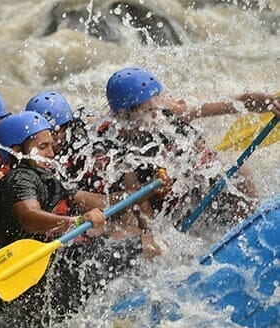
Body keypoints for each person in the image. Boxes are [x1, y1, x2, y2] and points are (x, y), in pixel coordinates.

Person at [0, 111, 159, 323]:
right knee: (149, 246)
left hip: (63, 265)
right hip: (45, 278)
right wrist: (75, 222)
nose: (51, 153)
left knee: (134, 238)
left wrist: (151, 189)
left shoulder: (47, 177)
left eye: (50, 145)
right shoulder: (18, 179)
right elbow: (29, 218)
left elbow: (105, 202)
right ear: (16, 151)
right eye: (42, 147)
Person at [100, 67, 280, 232]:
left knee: (238, 171)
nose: (157, 113)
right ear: (125, 114)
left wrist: (266, 102)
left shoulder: (167, 110)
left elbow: (234, 102)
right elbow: (143, 210)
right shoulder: (118, 150)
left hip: (193, 184)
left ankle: (253, 225)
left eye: (156, 102)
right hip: (164, 204)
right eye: (148, 109)